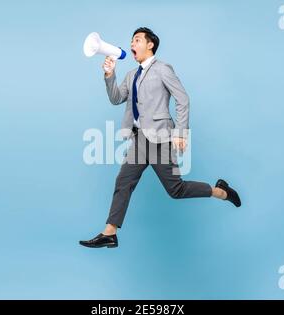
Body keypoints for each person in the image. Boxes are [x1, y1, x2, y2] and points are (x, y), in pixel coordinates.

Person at [80, 27, 241, 249]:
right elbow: (116, 99)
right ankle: (110, 233)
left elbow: (182, 99)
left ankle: (221, 191)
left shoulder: (162, 69)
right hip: (138, 140)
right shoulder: (131, 75)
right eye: (131, 40)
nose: (132, 44)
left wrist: (181, 133)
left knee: (176, 190)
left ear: (150, 45)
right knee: (123, 182)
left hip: (160, 139)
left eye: (137, 40)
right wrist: (109, 75)